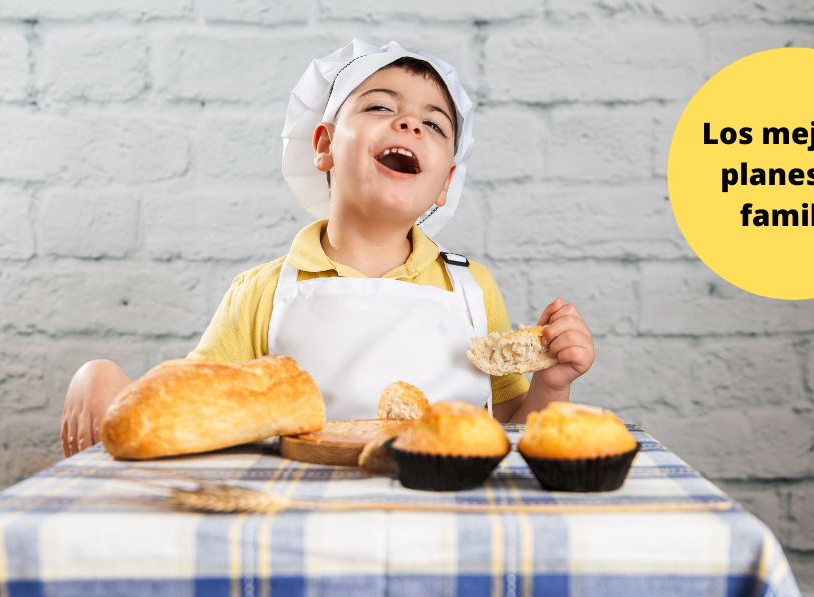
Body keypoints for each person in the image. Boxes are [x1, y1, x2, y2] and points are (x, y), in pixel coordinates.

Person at [60, 39, 595, 457]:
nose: (408, 122)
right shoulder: (263, 292)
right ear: (322, 146)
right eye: (380, 107)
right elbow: (191, 408)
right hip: (300, 523)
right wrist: (100, 375)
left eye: (434, 124)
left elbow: (511, 429)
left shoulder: (472, 288)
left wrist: (551, 383)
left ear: (445, 180)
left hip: (444, 514)